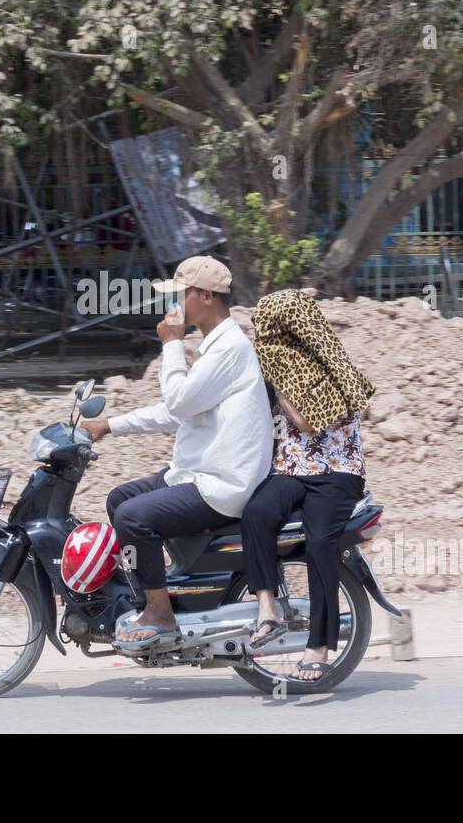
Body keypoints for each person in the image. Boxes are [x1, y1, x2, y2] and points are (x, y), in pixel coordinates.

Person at [85, 255, 272, 651]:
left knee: (135, 518)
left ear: (206, 296)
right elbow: (177, 410)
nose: (173, 307)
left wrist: (171, 344)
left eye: (180, 296)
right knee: (119, 499)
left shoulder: (229, 349)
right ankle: (157, 591)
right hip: (195, 472)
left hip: (221, 484)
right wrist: (109, 425)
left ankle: (161, 615)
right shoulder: (213, 345)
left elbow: (180, 401)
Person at [240, 288, 375, 682]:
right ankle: (268, 607)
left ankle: (320, 646)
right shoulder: (275, 364)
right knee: (257, 512)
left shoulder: (329, 362)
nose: (261, 338)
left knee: (320, 543)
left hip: (338, 473)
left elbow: (308, 422)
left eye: (267, 328)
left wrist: (279, 380)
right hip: (292, 469)